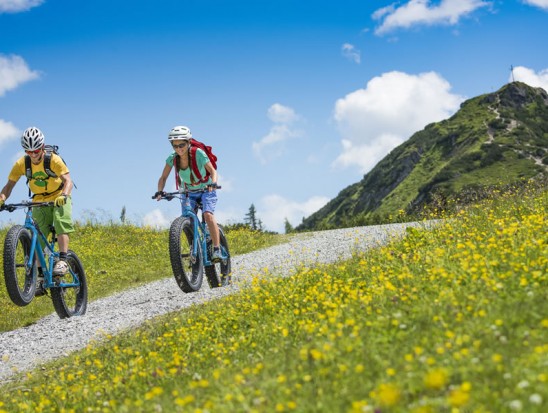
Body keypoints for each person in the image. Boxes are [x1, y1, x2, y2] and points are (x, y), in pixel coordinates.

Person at [0, 127, 74, 295]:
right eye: (29, 151)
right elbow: (9, 185)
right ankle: (40, 278)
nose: (33, 154)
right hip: (39, 200)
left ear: (42, 146)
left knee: (61, 222)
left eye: (36, 150)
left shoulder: (53, 160)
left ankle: (63, 260)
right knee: (37, 240)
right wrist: (2, 198)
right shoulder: (21, 164)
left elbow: (68, 180)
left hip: (59, 196)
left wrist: (64, 195)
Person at [154, 125, 223, 261]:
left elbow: (213, 171)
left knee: (208, 215)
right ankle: (194, 248)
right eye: (175, 146)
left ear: (188, 142)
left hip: (206, 189)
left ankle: (217, 249)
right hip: (187, 192)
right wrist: (160, 191)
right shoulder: (172, 158)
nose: (179, 149)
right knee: (187, 219)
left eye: (182, 145)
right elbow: (163, 177)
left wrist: (213, 183)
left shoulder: (198, 153)